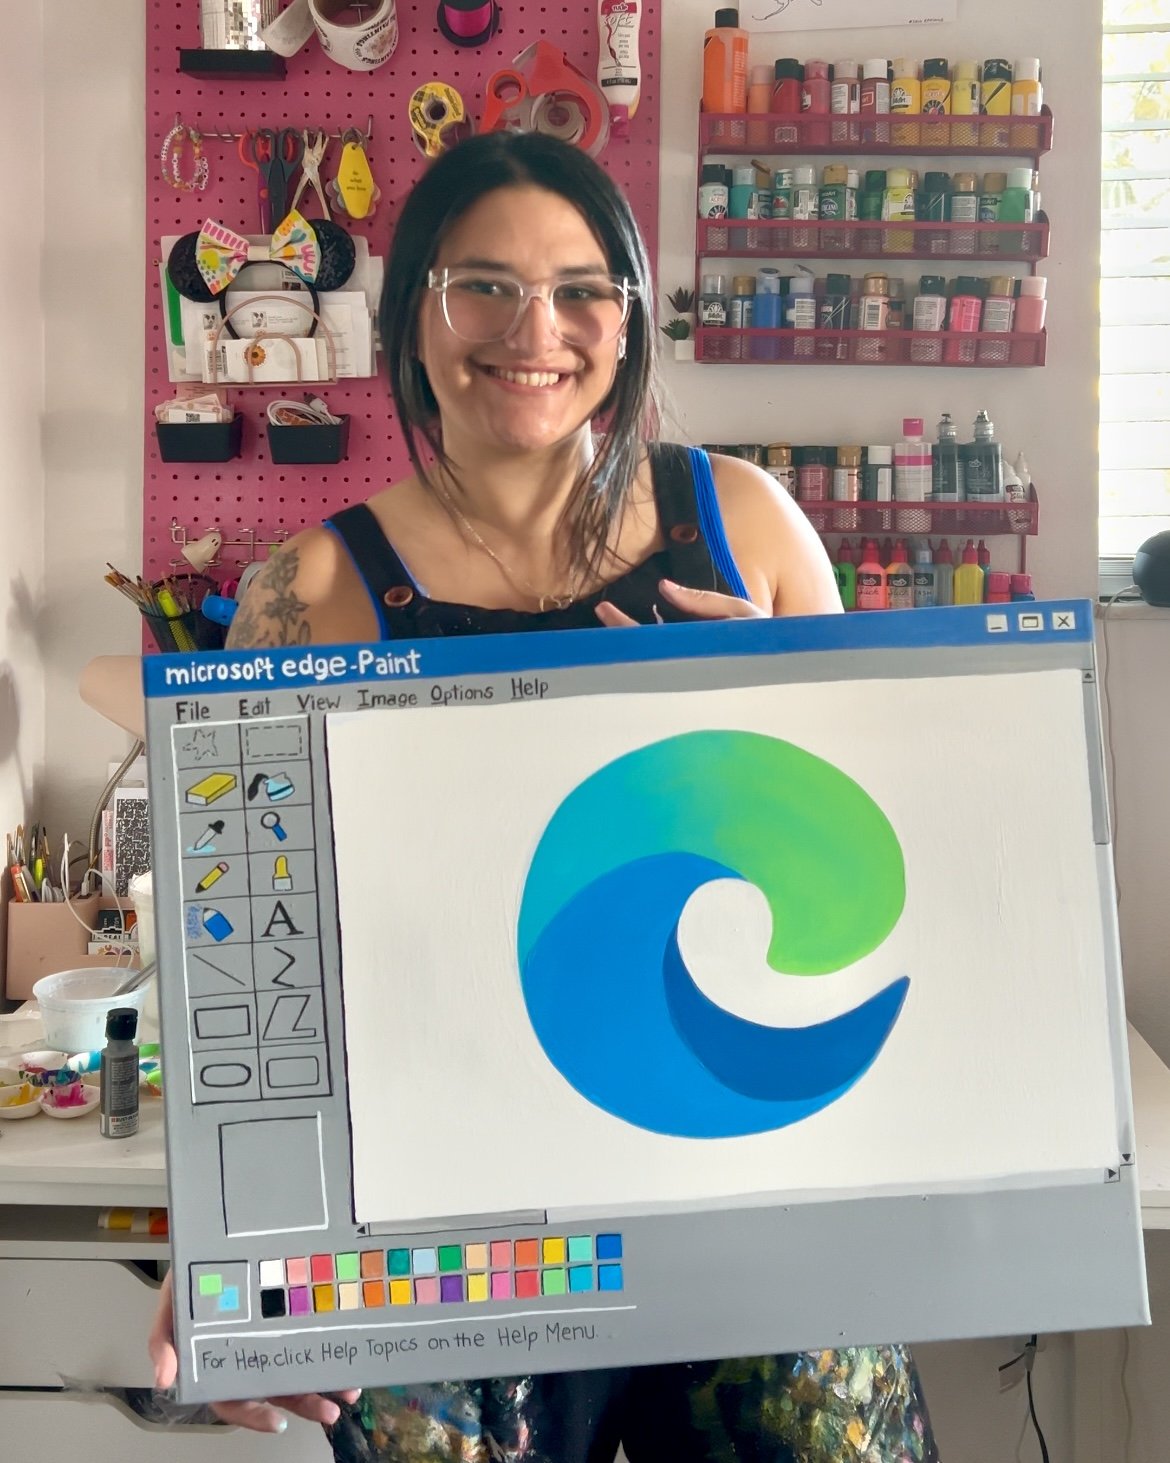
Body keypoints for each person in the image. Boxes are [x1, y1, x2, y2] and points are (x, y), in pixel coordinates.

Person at [149, 132, 939, 1463]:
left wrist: (776, 720)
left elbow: (895, 869)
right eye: (486, 284)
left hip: (737, 1170)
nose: (538, 329)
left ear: (626, 321)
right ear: (413, 314)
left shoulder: (745, 525)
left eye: (582, 288)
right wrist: (218, 1243)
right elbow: (260, 954)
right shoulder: (310, 595)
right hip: (444, 1211)